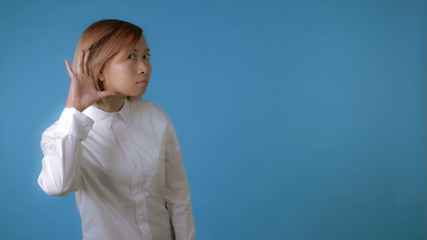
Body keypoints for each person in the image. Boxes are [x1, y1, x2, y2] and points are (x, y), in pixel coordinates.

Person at [37, 19, 196, 240]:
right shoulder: (64, 132)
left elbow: (178, 196)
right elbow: (58, 185)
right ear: (100, 69)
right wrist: (74, 109)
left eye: (146, 56)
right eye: (131, 57)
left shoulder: (156, 118)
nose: (143, 68)